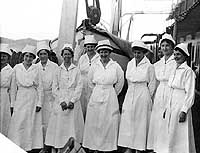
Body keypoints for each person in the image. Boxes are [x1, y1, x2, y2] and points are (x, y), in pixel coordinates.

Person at [83, 39, 124, 152]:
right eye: (101, 52)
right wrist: (97, 90)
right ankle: (94, 147)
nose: (103, 54)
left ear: (109, 53)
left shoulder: (115, 66)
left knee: (109, 122)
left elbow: (120, 82)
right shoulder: (95, 66)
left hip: (110, 95)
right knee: (95, 122)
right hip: (96, 94)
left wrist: (112, 93)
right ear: (99, 53)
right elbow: (90, 81)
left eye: (106, 52)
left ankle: (107, 147)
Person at [44, 44, 84, 152]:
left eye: (69, 54)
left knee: (72, 125)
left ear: (72, 55)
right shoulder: (58, 70)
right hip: (60, 101)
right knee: (59, 125)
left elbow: (79, 86)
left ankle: (72, 149)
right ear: (62, 55)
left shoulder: (76, 70)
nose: (67, 56)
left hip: (73, 101)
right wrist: (61, 101)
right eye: (65, 54)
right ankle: (58, 147)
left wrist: (72, 101)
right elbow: (54, 88)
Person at [118, 40, 156, 153]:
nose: (136, 55)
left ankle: (139, 148)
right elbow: (128, 80)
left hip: (142, 93)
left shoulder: (149, 66)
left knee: (140, 122)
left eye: (139, 53)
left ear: (144, 53)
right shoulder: (130, 64)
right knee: (128, 120)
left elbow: (152, 84)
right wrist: (131, 93)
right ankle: (129, 146)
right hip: (131, 92)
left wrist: (146, 98)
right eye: (135, 52)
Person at [8, 45, 43, 152]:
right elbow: (13, 88)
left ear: (33, 58)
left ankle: (30, 146)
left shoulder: (36, 68)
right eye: (27, 56)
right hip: (21, 97)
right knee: (19, 121)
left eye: (31, 57)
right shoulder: (17, 68)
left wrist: (39, 103)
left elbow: (40, 87)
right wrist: (12, 104)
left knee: (31, 121)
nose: (28, 59)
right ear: (23, 56)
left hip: (32, 97)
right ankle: (17, 144)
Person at [163, 43, 196, 153]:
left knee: (181, 133)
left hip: (180, 103)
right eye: (175, 54)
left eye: (179, 55)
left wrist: (184, 110)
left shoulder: (188, 71)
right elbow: (170, 88)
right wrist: (166, 108)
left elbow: (190, 93)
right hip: (171, 103)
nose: (176, 57)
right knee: (171, 132)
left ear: (185, 56)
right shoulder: (174, 69)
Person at [147, 34, 176, 152]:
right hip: (160, 93)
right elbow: (155, 82)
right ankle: (156, 146)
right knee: (158, 118)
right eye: (163, 46)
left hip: (171, 91)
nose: (165, 48)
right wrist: (153, 96)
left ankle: (167, 147)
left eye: (167, 45)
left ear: (172, 47)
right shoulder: (157, 64)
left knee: (168, 118)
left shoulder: (176, 62)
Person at [36, 41, 58, 145]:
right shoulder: (35, 67)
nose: (43, 56)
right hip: (38, 98)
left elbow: (56, 83)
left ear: (48, 55)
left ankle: (49, 144)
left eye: (45, 53)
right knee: (39, 122)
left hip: (50, 97)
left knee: (50, 122)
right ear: (38, 55)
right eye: (41, 54)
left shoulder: (54, 67)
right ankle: (39, 144)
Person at [78, 35, 100, 119]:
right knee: (82, 106)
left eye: (92, 47)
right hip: (82, 85)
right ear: (85, 47)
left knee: (92, 107)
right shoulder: (82, 58)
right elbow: (78, 72)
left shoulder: (98, 57)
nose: (90, 48)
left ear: (95, 47)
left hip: (94, 85)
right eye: (88, 47)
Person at [0, 44, 13, 137]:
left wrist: (12, 104)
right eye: (0, 55)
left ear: (8, 58)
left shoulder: (11, 70)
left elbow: (12, 89)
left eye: (4, 56)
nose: (2, 58)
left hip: (4, 97)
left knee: (3, 118)